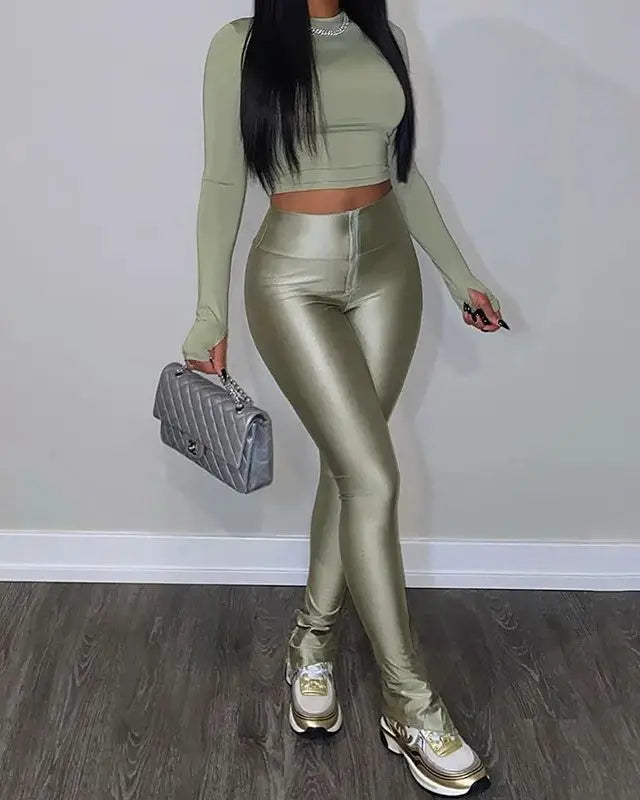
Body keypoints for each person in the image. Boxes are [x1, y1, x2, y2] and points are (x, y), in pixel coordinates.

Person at [182, 1, 509, 795]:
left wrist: (459, 274)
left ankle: (310, 644)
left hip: (390, 271)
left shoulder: (382, 37)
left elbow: (404, 173)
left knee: (349, 469)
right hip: (292, 279)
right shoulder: (241, 46)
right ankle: (410, 702)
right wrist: (209, 311)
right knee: (374, 477)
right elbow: (222, 180)